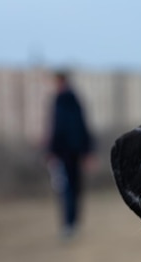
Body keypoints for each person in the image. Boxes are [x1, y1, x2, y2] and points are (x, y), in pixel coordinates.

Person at [45, 71, 95, 240]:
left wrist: (52, 151)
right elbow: (79, 126)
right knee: (69, 189)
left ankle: (71, 224)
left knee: (70, 189)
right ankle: (70, 224)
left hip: (68, 153)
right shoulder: (67, 100)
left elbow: (67, 128)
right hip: (68, 153)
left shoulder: (65, 101)